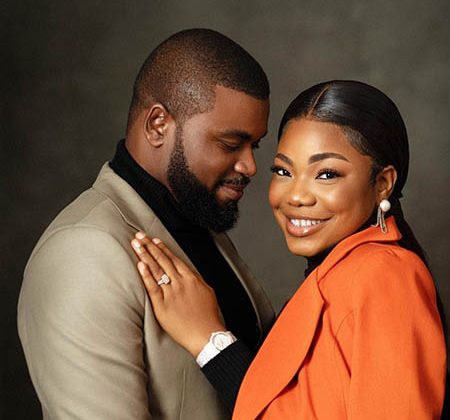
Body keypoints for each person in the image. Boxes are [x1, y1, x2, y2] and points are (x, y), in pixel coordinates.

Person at [131, 80, 450, 419]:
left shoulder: (383, 275)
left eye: (326, 174)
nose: (296, 196)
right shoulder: (340, 274)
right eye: (283, 171)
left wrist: (208, 339)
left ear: (383, 183)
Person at [17, 28, 275, 420]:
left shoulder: (196, 217)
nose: (250, 166)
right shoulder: (82, 253)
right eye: (229, 144)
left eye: (253, 146)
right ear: (157, 124)